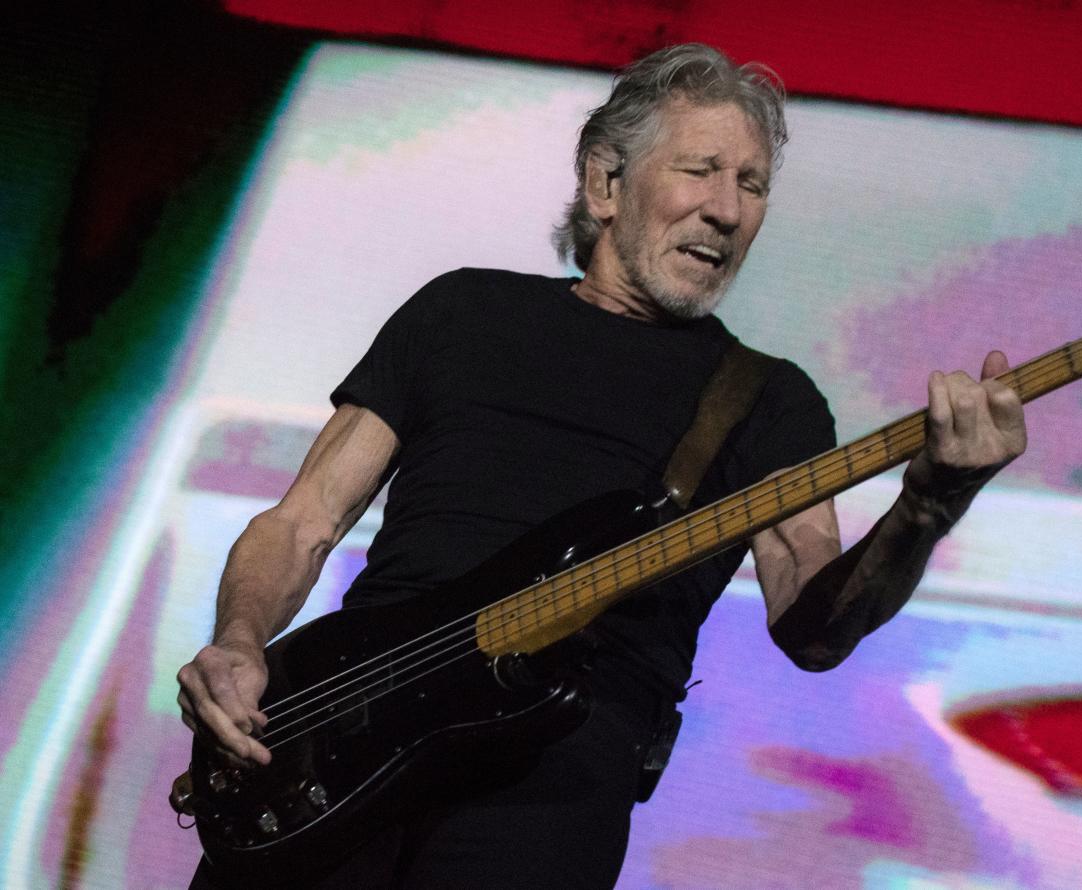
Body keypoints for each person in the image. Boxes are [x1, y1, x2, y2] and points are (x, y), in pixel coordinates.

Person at [176, 43, 1026, 888]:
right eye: (701, 171)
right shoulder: (463, 311)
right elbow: (302, 522)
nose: (727, 210)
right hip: (343, 733)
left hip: (555, 776)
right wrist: (239, 641)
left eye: (753, 184)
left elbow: (815, 628)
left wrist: (931, 503)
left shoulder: (770, 402)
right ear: (605, 184)